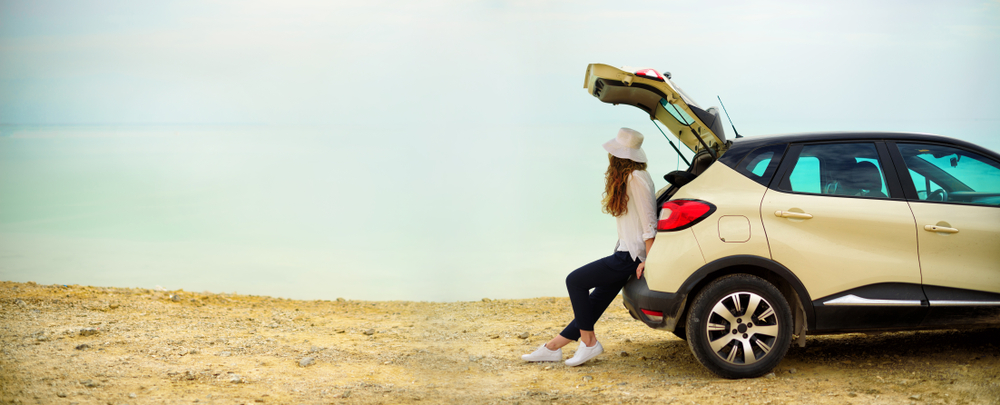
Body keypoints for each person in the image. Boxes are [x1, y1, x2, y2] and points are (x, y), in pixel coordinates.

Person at [522, 127, 657, 367]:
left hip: (632, 257)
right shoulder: (630, 177)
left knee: (575, 280)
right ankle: (553, 348)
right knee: (593, 303)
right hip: (625, 252)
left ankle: (589, 343)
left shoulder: (636, 178)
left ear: (618, 156)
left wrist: (651, 259)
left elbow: (649, 223)